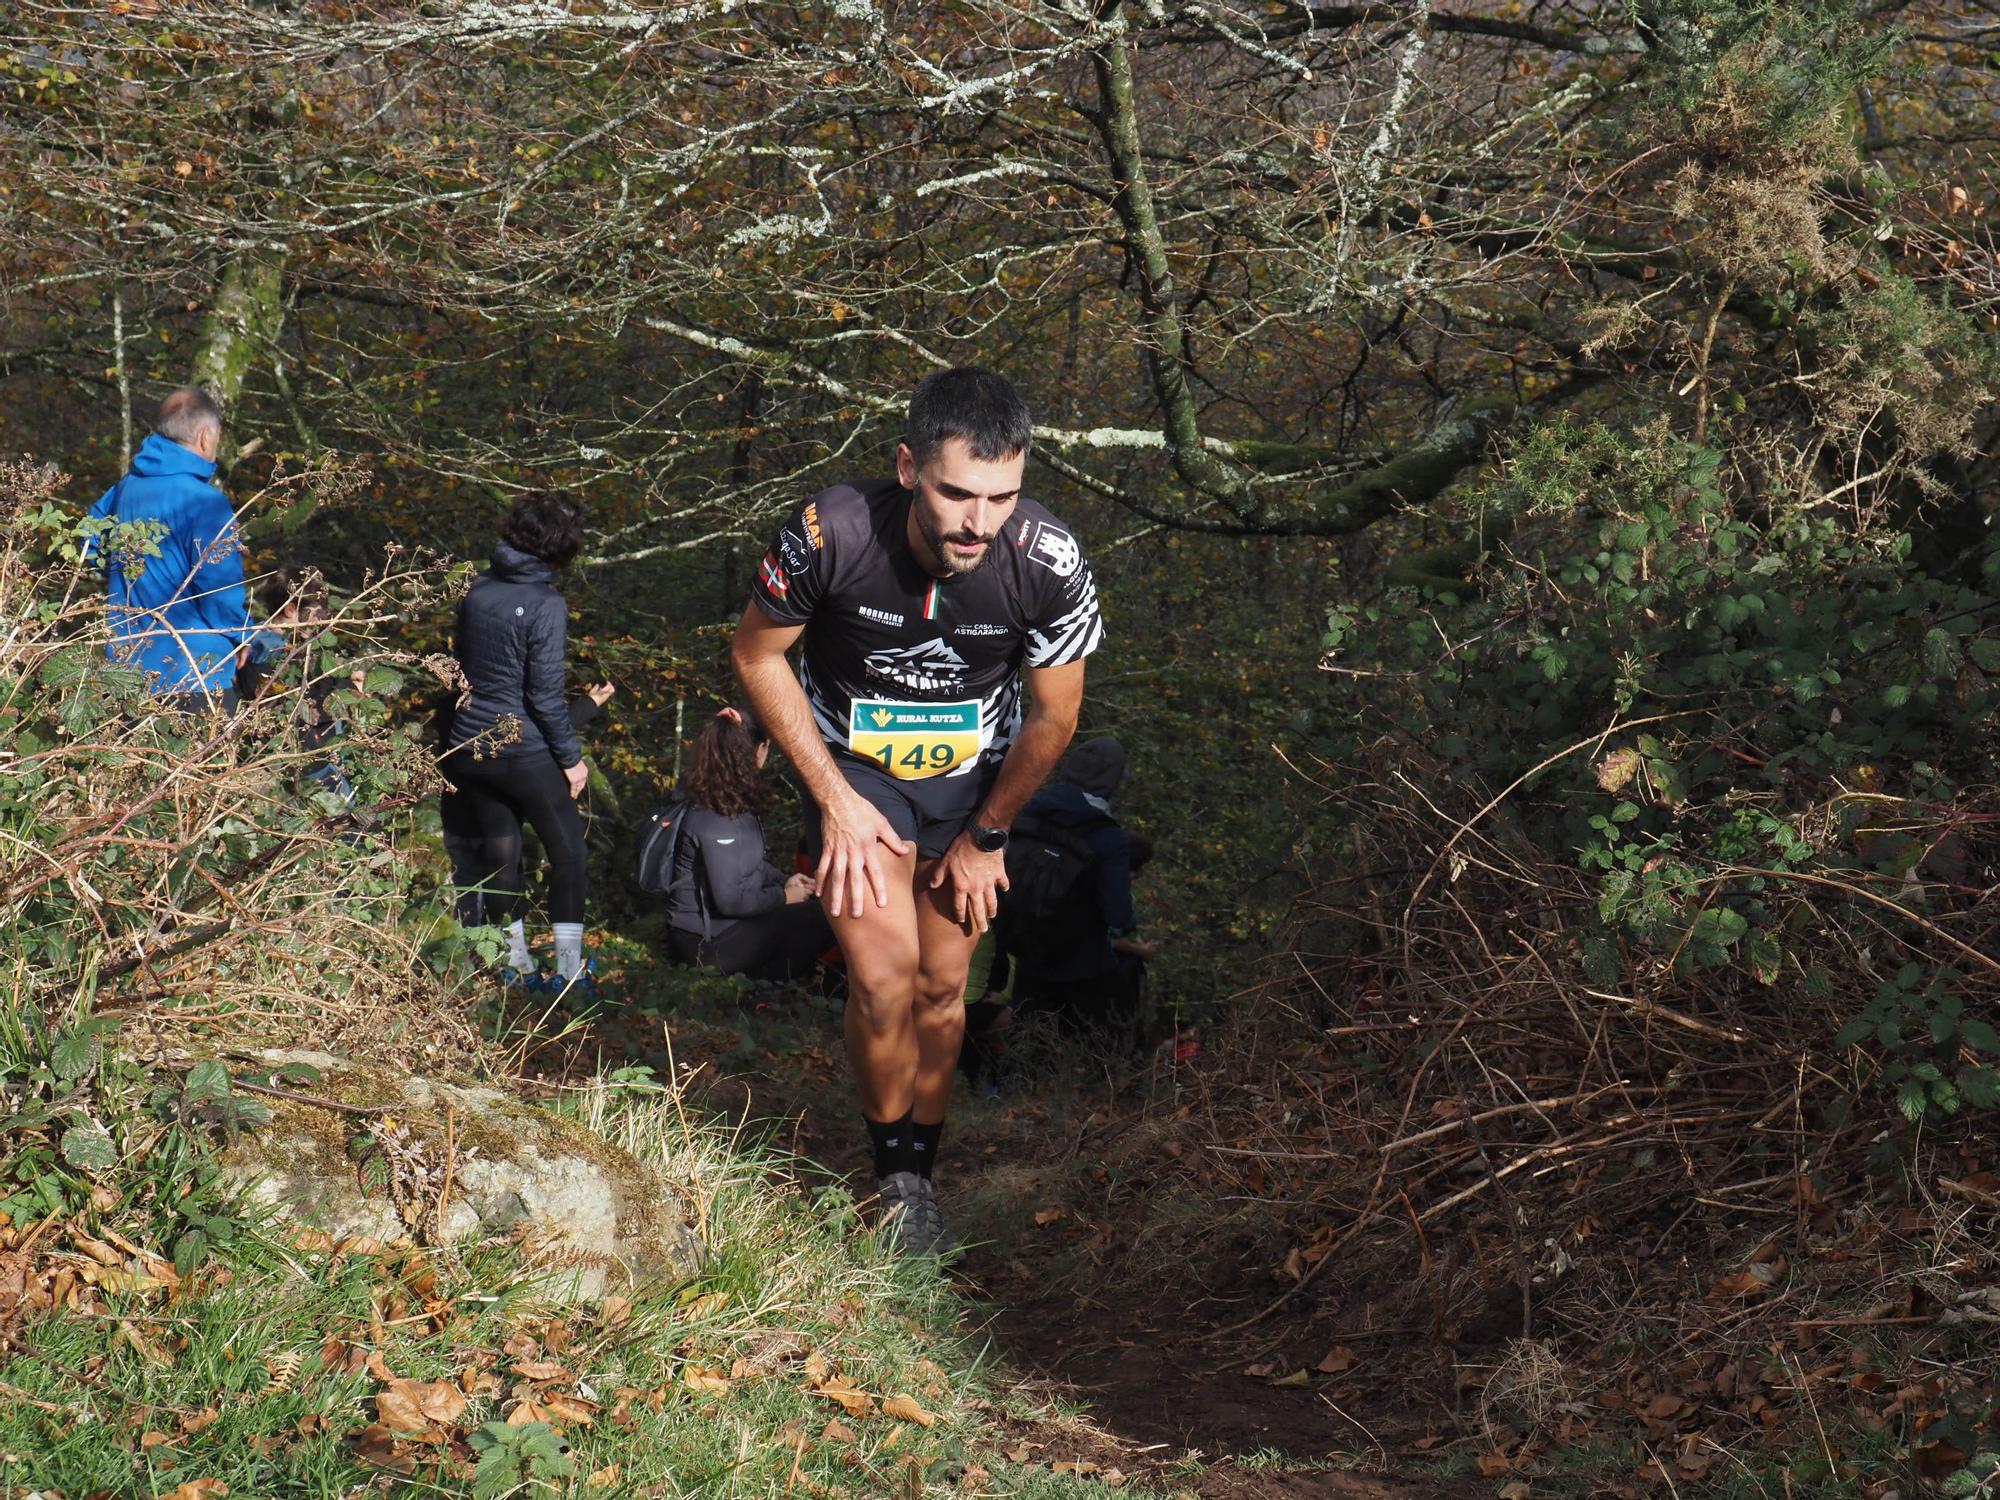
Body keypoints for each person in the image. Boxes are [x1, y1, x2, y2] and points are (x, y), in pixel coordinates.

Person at [732, 366, 1102, 1252]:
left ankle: (921, 1175)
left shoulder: (1046, 561)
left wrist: (988, 836)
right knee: (885, 978)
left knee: (942, 989)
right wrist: (832, 802)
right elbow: (755, 655)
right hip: (858, 774)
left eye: (1002, 496)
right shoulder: (831, 533)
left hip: (974, 790)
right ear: (907, 468)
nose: (979, 522)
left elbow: (1058, 716)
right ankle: (892, 1175)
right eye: (957, 494)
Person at [438, 490, 594, 990]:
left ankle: (516, 965)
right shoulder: (547, 604)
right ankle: (569, 974)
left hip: (470, 747)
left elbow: (460, 667)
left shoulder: (478, 589)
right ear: (560, 547)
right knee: (569, 852)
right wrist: (572, 761)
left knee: (502, 852)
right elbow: (546, 698)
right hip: (520, 749)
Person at [85, 386, 248, 710]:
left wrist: (121, 567)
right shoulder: (207, 503)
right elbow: (220, 592)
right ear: (204, 437)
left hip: (126, 674)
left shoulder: (127, 487)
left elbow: (87, 543)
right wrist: (243, 636)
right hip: (196, 675)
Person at [1001, 737, 1158, 1049]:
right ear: (1111, 780)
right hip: (1084, 964)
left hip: (1026, 952)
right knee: (1098, 1050)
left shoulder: (1027, 812)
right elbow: (1118, 913)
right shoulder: (1107, 837)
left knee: (1028, 1050)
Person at [663, 706, 834, 982]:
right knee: (820, 919)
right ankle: (766, 988)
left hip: (718, 930)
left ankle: (769, 983)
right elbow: (731, 901)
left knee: (809, 910)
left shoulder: (722, 800)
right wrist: (784, 896)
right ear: (759, 750)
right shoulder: (716, 817)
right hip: (704, 943)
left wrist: (787, 880)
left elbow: (747, 864)